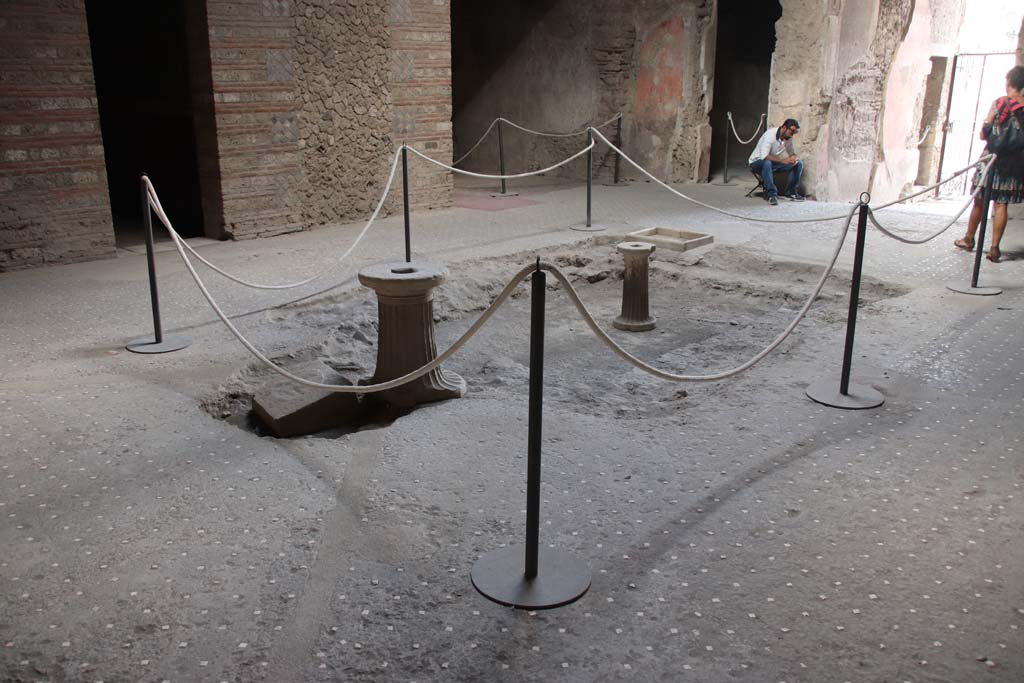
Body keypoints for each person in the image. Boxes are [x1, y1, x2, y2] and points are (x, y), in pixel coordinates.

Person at [954, 65, 1024, 263]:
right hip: (1014, 162)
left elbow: (985, 132)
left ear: (1009, 83)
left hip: (992, 159)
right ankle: (994, 248)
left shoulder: (1001, 103)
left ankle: (969, 238)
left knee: (979, 200)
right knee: (1001, 203)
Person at [749, 118, 804, 205]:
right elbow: (764, 156)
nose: (792, 134)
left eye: (794, 132)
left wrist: (793, 158)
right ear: (784, 127)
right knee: (767, 163)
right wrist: (783, 161)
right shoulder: (770, 135)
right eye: (792, 131)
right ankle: (771, 195)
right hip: (756, 163)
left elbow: (791, 152)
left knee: (798, 164)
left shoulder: (788, 137)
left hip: (771, 163)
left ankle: (791, 193)